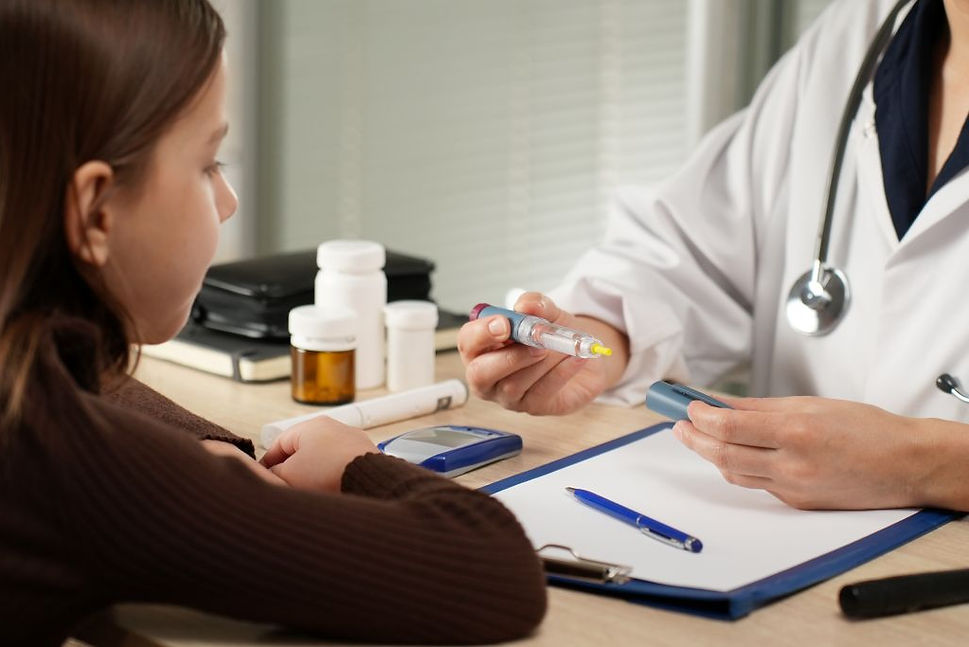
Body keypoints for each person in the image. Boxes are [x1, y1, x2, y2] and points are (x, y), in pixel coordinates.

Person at [0, 1, 546, 645]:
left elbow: (80, 376)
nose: (228, 202)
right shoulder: (74, 464)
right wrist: (357, 466)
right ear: (96, 212)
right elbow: (491, 570)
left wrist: (204, 449)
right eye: (208, 165)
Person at [459, 0, 969, 513]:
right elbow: (691, 253)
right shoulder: (857, 34)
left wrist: (922, 464)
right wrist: (595, 336)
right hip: (780, 533)